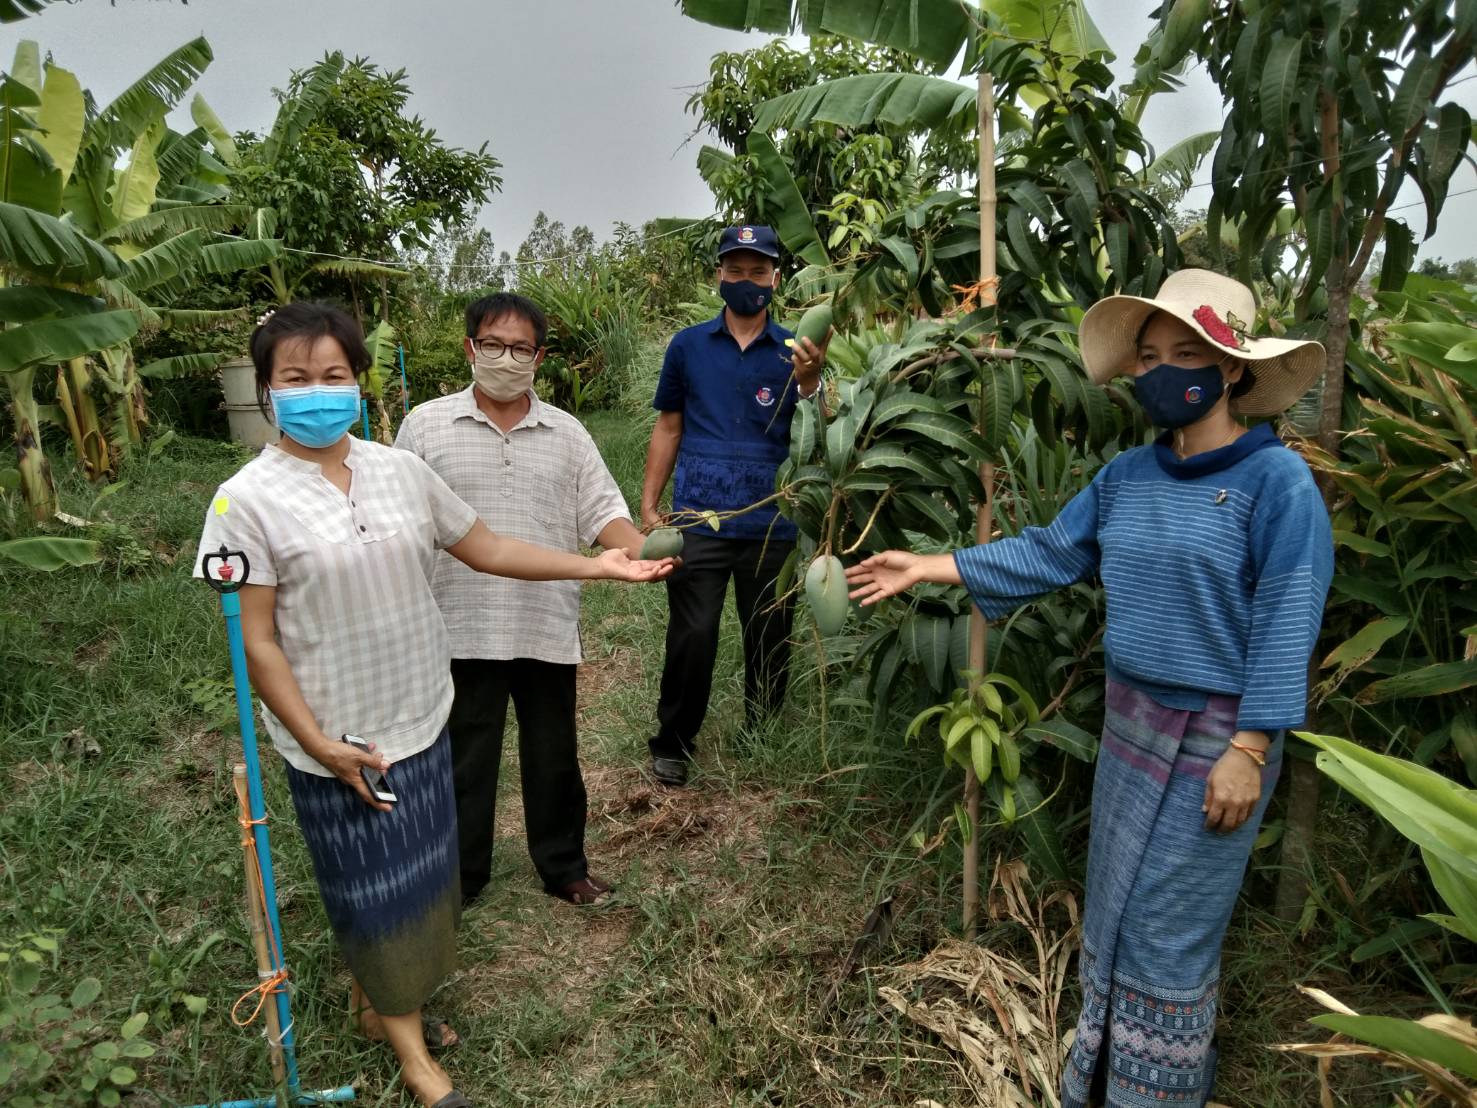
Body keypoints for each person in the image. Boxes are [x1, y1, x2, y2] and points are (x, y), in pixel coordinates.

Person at [845, 269, 1334, 1108]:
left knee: (1168, 926)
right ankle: (1103, 1077)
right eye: (1148, 356)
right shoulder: (1126, 477)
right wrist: (929, 565)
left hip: (1217, 739)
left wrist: (1250, 749)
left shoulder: (1275, 483)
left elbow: (1289, 613)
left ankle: (1157, 1091)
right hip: (1130, 725)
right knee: (1113, 906)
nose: (1161, 370)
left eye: (1186, 353)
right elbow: (1049, 552)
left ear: (1231, 368)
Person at [194, 303, 672, 1108]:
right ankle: (415, 1058)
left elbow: (488, 548)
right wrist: (316, 740)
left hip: (419, 709)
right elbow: (259, 641)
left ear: (358, 382)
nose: (317, 391)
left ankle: (376, 1003)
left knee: (416, 879)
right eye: (296, 378)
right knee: (368, 885)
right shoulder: (243, 501)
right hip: (339, 734)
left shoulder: (397, 471)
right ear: (266, 390)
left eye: (334, 375)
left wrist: (601, 567)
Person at [395, 292, 643, 909]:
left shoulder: (567, 433)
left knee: (554, 753)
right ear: (470, 348)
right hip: (458, 622)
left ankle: (564, 867)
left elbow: (603, 512)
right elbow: (399, 520)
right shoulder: (425, 426)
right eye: (493, 345)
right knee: (464, 757)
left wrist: (642, 551)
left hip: (544, 620)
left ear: (540, 357)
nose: (506, 358)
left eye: (521, 349)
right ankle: (460, 876)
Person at [640, 224, 827, 786]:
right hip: (699, 516)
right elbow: (669, 427)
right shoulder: (688, 347)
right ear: (719, 274)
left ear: (775, 278)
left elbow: (817, 433)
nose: (747, 280)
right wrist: (650, 505)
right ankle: (674, 742)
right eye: (736, 269)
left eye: (758, 271)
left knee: (769, 631)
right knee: (692, 634)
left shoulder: (797, 351)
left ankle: (762, 732)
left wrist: (811, 383)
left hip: (773, 521)